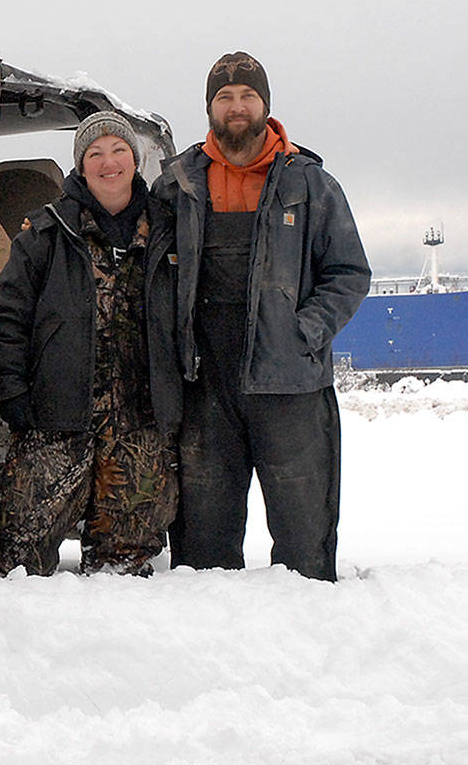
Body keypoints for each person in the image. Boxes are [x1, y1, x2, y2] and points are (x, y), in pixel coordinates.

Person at [153, 52, 370, 582]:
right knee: (202, 548)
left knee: (304, 547)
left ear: (265, 104)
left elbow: (348, 273)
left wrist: (305, 331)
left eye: (247, 95)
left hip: (289, 384)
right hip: (205, 385)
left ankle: (308, 653)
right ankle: (213, 653)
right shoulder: (176, 185)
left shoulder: (311, 185)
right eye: (224, 97)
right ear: (209, 107)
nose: (236, 106)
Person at [0, 111, 181, 577]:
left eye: (118, 150)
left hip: (141, 420)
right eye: (95, 153)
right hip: (56, 416)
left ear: (134, 160)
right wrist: (14, 394)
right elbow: (8, 320)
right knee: (17, 560)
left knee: (126, 564)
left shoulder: (172, 231)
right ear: (80, 166)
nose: (107, 162)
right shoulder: (46, 233)